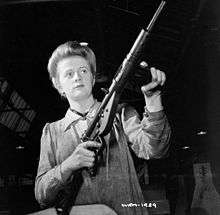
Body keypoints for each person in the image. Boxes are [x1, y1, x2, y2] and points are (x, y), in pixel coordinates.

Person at [35, 41, 171, 215]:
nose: (77, 77)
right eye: (69, 74)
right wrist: (69, 165)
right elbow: (41, 194)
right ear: (58, 84)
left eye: (83, 71)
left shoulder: (120, 114)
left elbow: (155, 150)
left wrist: (153, 100)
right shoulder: (51, 132)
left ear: (92, 77)